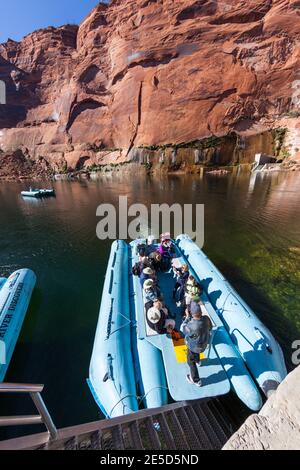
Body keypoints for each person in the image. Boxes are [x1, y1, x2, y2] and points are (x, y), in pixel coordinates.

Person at [180, 301, 212, 386]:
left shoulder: (191, 325)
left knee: (190, 362)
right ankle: (198, 361)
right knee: (196, 348)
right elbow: (210, 327)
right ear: (200, 312)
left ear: (191, 313)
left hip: (193, 347)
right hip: (203, 345)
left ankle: (195, 379)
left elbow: (182, 329)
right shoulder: (206, 318)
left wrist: (187, 318)